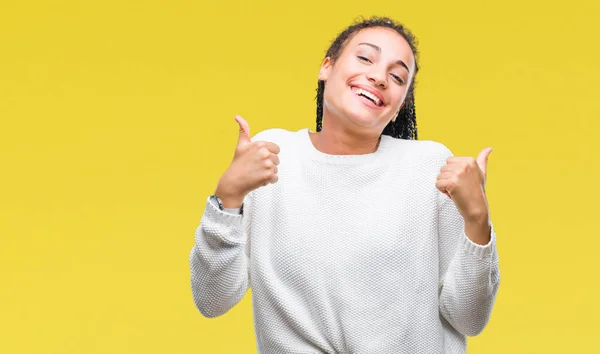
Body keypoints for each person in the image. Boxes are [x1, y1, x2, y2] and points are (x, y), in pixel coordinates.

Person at [190, 16, 500, 354]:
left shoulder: (429, 167)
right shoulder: (272, 156)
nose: (379, 77)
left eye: (397, 77)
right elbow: (212, 299)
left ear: (399, 108)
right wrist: (228, 197)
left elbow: (469, 318)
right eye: (365, 58)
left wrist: (476, 221)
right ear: (326, 67)